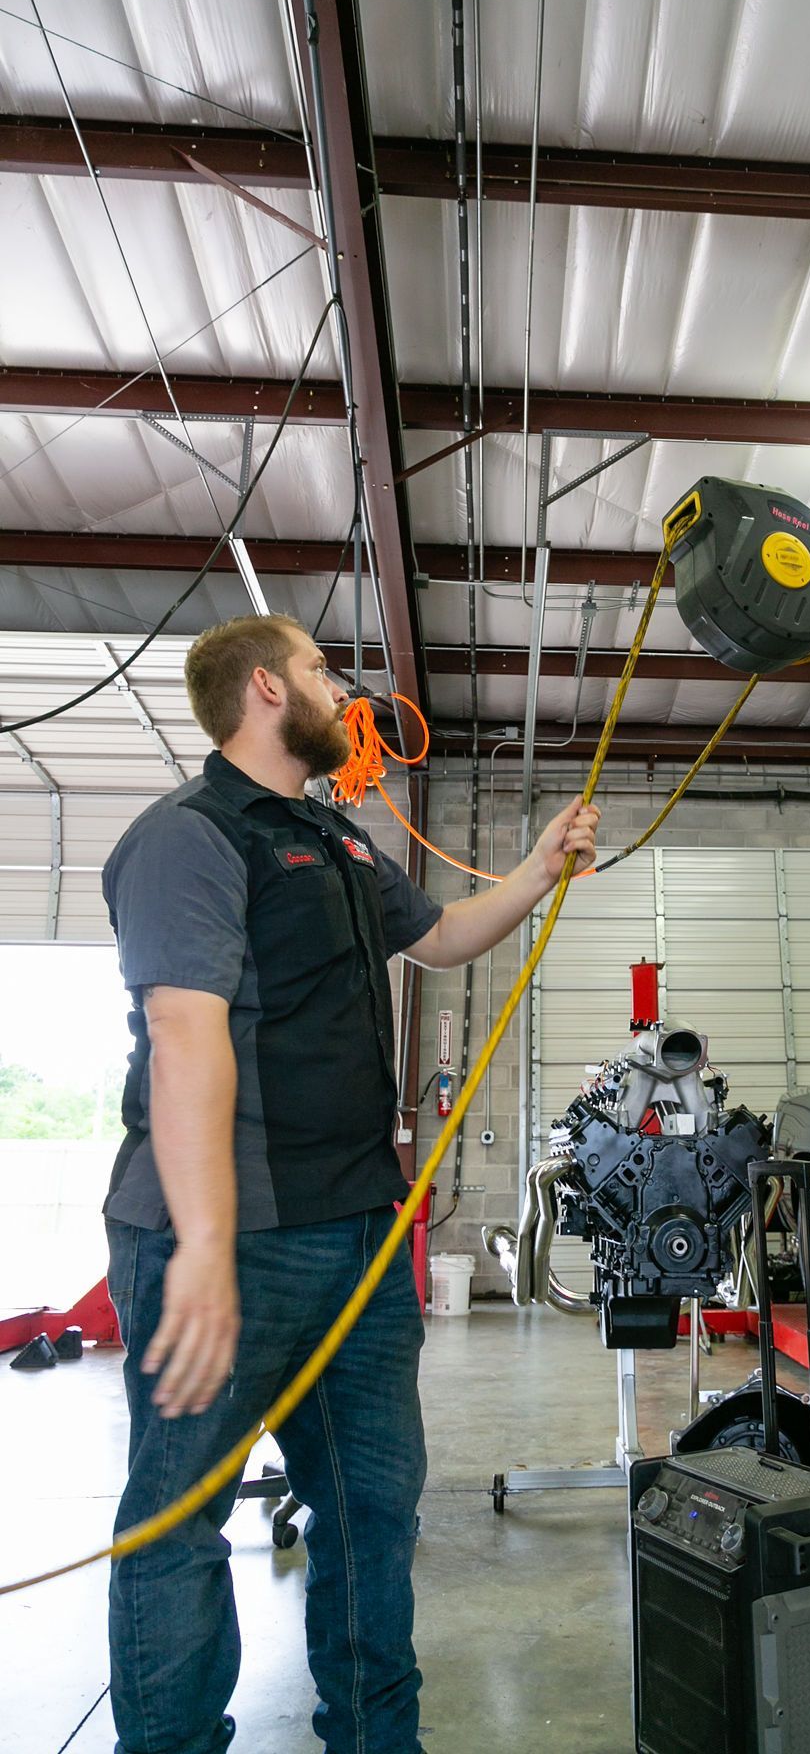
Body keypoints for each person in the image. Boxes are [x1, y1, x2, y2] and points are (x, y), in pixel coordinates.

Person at [100, 613, 599, 1754]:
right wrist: (209, 1250)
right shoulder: (189, 837)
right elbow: (185, 1039)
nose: (347, 691)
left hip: (354, 1239)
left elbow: (442, 937)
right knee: (180, 1525)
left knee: (373, 1510)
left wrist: (536, 864)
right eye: (327, 671)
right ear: (269, 690)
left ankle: (379, 1740)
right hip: (223, 1239)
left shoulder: (335, 839)